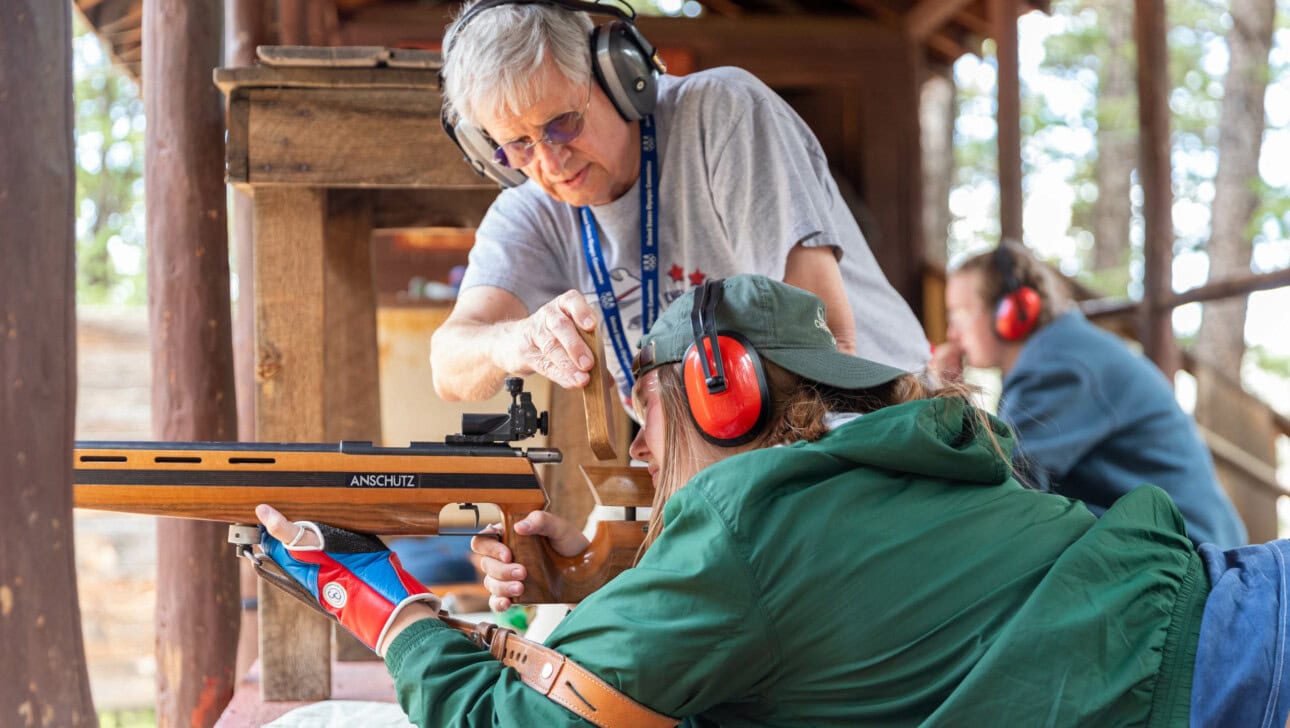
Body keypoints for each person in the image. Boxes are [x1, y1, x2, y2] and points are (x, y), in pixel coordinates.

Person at [257, 275, 1288, 727]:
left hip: (1232, 685)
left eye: (648, 415)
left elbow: (518, 726)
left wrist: (384, 606)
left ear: (723, 389)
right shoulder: (909, 451)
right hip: (1244, 610)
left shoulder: (745, 516)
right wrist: (607, 584)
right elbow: (815, 607)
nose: (641, 450)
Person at [429, 0, 928, 407]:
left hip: (881, 419)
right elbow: (448, 366)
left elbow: (824, 343)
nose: (549, 161)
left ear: (616, 76)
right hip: (736, 455)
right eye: (517, 144)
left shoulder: (726, 115)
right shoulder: (529, 209)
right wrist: (513, 341)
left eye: (563, 123)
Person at [931, 240, 1246, 548]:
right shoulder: (1062, 350)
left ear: (1012, 312)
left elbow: (1002, 488)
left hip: (1188, 554)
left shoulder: (1057, 367)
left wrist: (947, 399)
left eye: (959, 315)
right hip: (1183, 542)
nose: (951, 334)